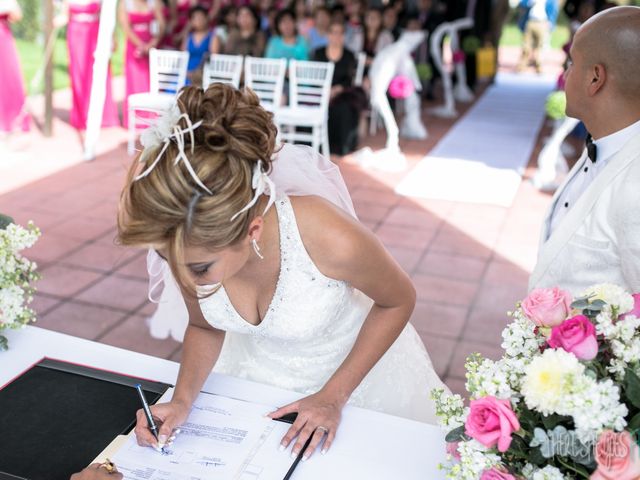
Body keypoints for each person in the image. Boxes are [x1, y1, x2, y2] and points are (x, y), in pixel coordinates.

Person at [118, 84, 448, 459]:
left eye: (199, 268)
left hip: (357, 380)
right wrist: (181, 400)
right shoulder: (188, 240)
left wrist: (333, 397)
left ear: (251, 230)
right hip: (256, 386)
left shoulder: (326, 235)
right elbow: (204, 325)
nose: (185, 279)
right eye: (168, 260)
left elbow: (398, 301)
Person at [529, 6, 640, 294]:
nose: (565, 73)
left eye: (571, 62)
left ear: (595, 78)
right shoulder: (602, 141)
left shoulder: (635, 189)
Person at [60, 0, 120, 130]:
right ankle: (82, 116)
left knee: (98, 72)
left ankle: (103, 115)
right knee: (78, 74)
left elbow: (106, 16)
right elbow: (64, 16)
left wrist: (111, 37)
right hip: (76, 34)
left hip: (95, 34)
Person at [313, 21, 366, 156]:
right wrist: (326, 90)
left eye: (340, 33)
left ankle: (341, 146)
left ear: (343, 36)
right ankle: (315, 145)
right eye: (333, 32)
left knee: (345, 108)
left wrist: (338, 89)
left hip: (342, 92)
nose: (336, 36)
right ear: (328, 35)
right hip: (320, 92)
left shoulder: (349, 55)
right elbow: (314, 77)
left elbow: (349, 80)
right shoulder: (318, 53)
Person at [119, 0, 165, 128]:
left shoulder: (154, 3)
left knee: (151, 79)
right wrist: (140, 45)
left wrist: (153, 43)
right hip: (133, 46)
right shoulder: (125, 4)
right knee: (134, 80)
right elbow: (126, 27)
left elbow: (162, 24)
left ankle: (150, 115)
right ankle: (135, 117)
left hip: (151, 44)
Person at [0, 0, 29, 134]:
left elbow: (17, 16)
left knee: (8, 77)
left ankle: (11, 119)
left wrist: (8, 9)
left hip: (2, 37)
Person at [516, 0, 559, 73]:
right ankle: (522, 66)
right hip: (530, 21)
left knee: (540, 46)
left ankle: (538, 66)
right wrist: (529, 3)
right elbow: (522, 4)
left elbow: (553, 10)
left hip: (542, 22)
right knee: (526, 45)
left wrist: (551, 22)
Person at [182, 6, 213, 85]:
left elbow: (213, 58)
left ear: (206, 19)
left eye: (201, 18)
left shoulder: (213, 37)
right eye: (195, 18)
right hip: (186, 72)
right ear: (191, 21)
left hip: (203, 73)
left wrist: (197, 73)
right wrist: (185, 72)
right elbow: (182, 57)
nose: (198, 21)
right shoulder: (188, 37)